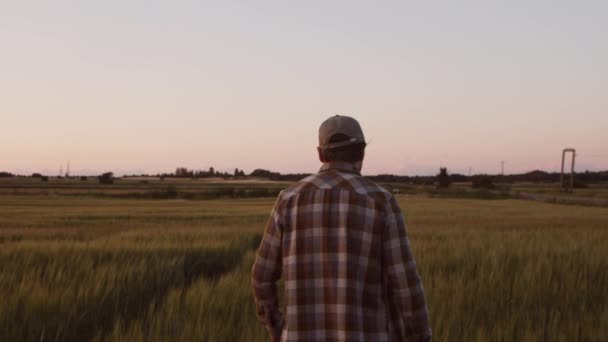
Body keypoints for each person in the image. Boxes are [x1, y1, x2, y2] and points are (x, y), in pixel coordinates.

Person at [252, 115, 431, 341]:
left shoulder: (288, 200)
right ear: (362, 152)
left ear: (320, 153)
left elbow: (261, 277)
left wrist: (277, 329)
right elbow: (405, 284)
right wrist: (420, 336)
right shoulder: (381, 202)